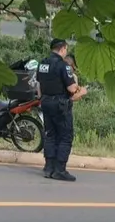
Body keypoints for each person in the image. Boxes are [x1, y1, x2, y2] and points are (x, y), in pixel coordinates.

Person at [37, 39, 87, 181]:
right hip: (60, 104)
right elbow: (71, 88)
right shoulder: (63, 66)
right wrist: (82, 91)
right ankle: (60, 170)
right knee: (65, 136)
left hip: (45, 102)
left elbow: (39, 86)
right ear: (63, 49)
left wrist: (43, 99)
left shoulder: (42, 63)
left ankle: (49, 167)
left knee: (50, 135)